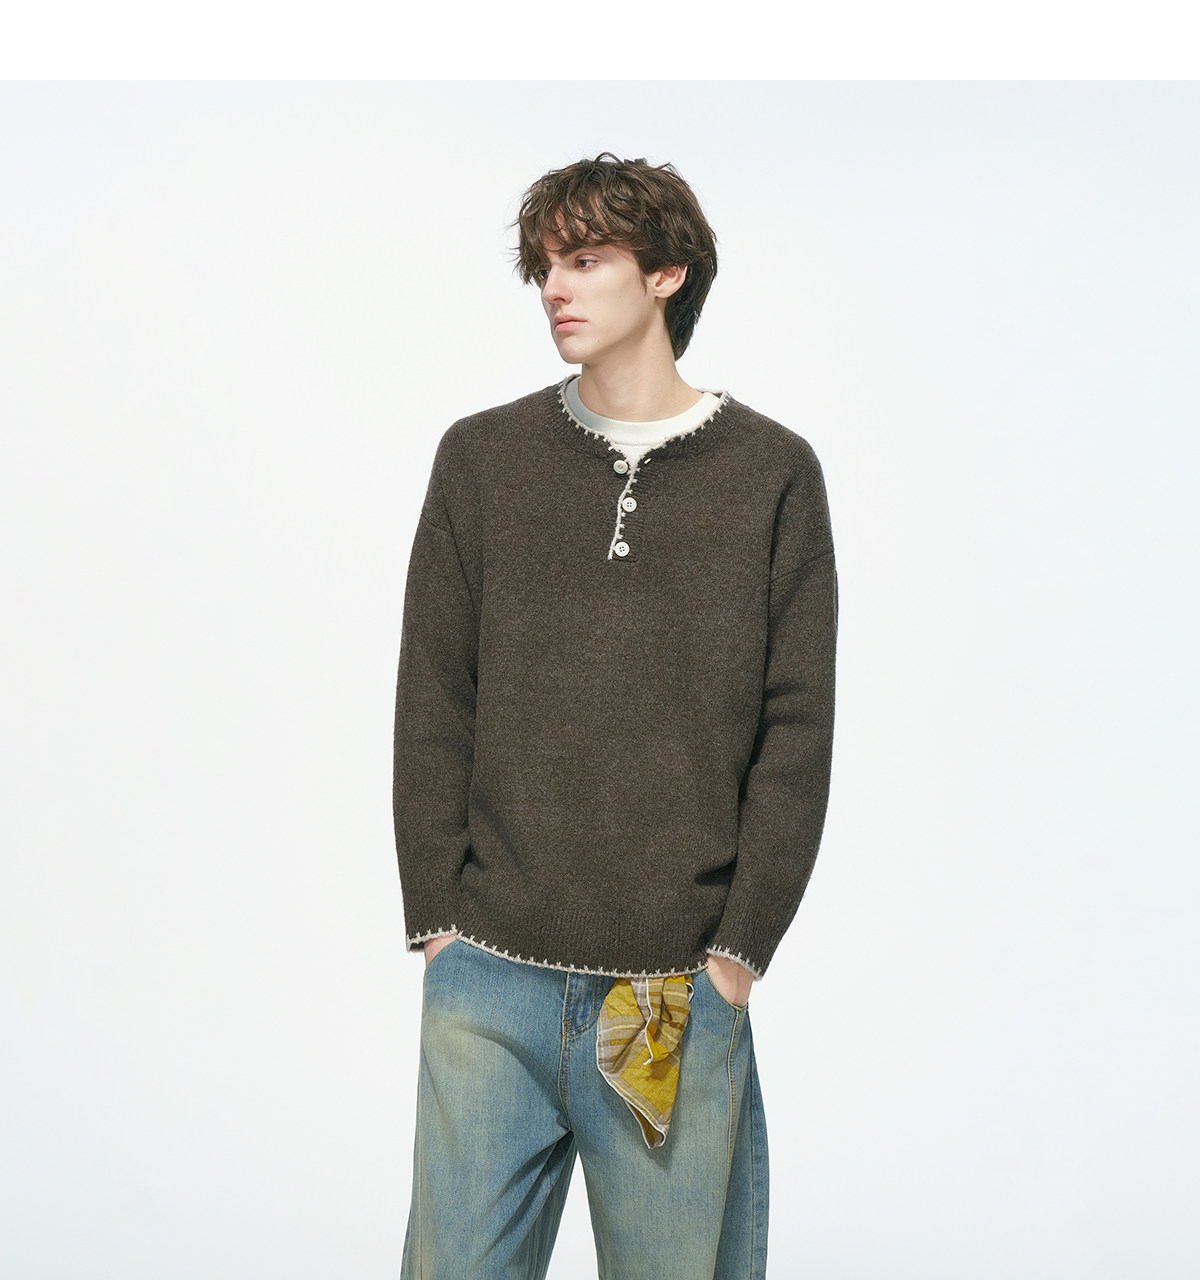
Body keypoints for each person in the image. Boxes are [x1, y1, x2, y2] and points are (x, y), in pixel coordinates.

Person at [393, 152, 837, 1280]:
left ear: (666, 273)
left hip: (666, 992)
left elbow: (796, 729)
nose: (555, 287)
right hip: (489, 978)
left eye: (586, 259)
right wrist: (439, 921)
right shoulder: (482, 459)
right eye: (545, 265)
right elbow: (434, 692)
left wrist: (736, 953)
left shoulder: (772, 474)